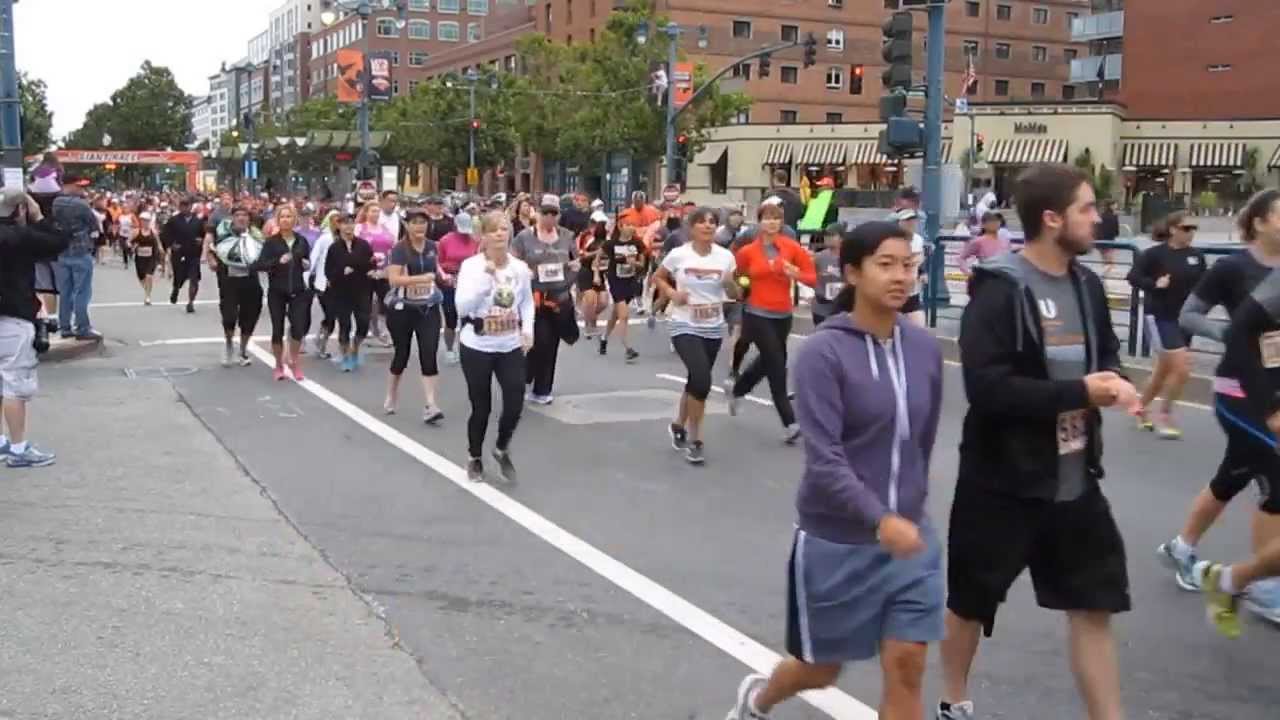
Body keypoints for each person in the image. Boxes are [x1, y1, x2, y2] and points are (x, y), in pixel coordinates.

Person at [938, 164, 1138, 720]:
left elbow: (1108, 355)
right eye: (1087, 208)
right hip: (1004, 482)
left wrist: (1117, 382)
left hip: (1076, 483)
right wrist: (1080, 391)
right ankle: (953, 700)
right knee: (971, 604)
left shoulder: (1088, 285)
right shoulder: (1000, 291)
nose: (1097, 217)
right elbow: (987, 388)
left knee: (1094, 605)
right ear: (1051, 219)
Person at [725, 220, 944, 720]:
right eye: (885, 264)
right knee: (822, 670)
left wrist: (906, 510)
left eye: (908, 265)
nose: (900, 276)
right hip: (838, 540)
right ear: (852, 271)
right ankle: (758, 701)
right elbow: (824, 459)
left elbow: (922, 440)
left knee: (908, 663)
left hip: (910, 538)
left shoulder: (924, 349)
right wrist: (878, 518)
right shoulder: (824, 352)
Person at [1158, 188, 1280, 620]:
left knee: (1233, 475)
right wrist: (1227, 335)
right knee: (1273, 471)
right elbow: (1190, 313)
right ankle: (1265, 587)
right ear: (1261, 221)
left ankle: (1182, 547)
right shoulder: (1233, 267)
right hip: (1238, 387)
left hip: (1275, 385)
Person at [653, 207, 739, 464]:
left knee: (695, 381)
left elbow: (735, 292)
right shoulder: (679, 255)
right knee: (702, 379)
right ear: (692, 228)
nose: (708, 227)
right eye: (702, 223)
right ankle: (696, 439)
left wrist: (729, 284)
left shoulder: (725, 257)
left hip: (712, 325)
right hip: (684, 324)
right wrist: (671, 294)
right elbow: (659, 277)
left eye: (712, 222)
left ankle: (678, 424)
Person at [455, 210, 535, 483]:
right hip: (477, 343)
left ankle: (501, 447)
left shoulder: (519, 268)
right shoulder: (471, 267)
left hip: (509, 342)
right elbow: (462, 306)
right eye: (495, 230)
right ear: (484, 236)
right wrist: (485, 280)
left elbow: (526, 302)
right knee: (481, 406)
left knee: (515, 400)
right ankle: (474, 456)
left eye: (504, 229)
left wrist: (527, 330)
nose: (501, 234)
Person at [727, 202, 816, 444]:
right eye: (767, 218)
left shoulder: (791, 248)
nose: (772, 222)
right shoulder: (747, 252)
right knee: (777, 364)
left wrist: (794, 273)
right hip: (756, 312)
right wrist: (746, 284)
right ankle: (790, 422)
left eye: (776, 218)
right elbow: (738, 275)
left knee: (767, 362)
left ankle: (738, 390)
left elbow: (812, 278)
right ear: (759, 222)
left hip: (783, 314)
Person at [0, 188, 69, 468]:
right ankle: (17, 447)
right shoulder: (19, 237)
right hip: (14, 316)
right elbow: (58, 242)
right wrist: (39, 215)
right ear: (19, 210)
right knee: (16, 384)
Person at [1126, 211, 1205, 438]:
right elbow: (1133, 276)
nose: (1190, 233)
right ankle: (1165, 415)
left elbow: (1205, 286)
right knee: (1181, 368)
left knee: (1163, 371)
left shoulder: (1196, 257)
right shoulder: (1154, 255)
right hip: (1160, 317)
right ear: (1173, 230)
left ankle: (1139, 408)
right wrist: (1154, 284)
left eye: (1193, 229)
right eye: (1186, 228)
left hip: (1185, 320)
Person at [511, 194, 579, 405]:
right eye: (545, 213)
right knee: (539, 341)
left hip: (560, 299)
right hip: (534, 299)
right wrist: (524, 272)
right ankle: (527, 376)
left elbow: (575, 259)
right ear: (538, 213)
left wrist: (576, 267)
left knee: (551, 345)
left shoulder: (567, 236)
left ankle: (542, 389)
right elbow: (512, 264)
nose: (550, 217)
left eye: (554, 213)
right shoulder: (524, 237)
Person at [384, 208, 446, 423]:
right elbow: (393, 279)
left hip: (427, 308)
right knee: (402, 354)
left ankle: (431, 404)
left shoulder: (432, 247)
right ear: (407, 225)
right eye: (415, 222)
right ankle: (392, 393)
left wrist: (443, 276)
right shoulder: (400, 249)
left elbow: (435, 269)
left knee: (429, 353)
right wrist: (421, 279)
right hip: (403, 309)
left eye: (423, 222)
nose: (420, 226)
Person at [252, 205, 313, 381]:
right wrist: (278, 262)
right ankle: (278, 364)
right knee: (277, 328)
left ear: (294, 220)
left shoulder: (301, 240)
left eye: (289, 217)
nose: (285, 220)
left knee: (298, 327)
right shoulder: (271, 242)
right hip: (277, 290)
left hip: (298, 289)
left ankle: (294, 361)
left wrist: (305, 265)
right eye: (282, 217)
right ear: (278, 220)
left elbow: (306, 260)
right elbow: (259, 265)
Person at [208, 206, 264, 368]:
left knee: (250, 316)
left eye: (244, 215)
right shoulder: (223, 234)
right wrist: (211, 259)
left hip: (250, 281)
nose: (241, 218)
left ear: (249, 218)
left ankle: (243, 350)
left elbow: (263, 251)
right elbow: (212, 249)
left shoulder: (256, 235)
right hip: (229, 281)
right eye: (237, 215)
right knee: (229, 316)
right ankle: (228, 344)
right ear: (232, 218)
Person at [51, 175, 101, 340]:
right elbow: (94, 226)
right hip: (80, 251)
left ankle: (65, 326)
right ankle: (82, 327)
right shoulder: (81, 205)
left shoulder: (55, 202)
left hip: (62, 251)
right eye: (78, 186)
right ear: (69, 185)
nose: (81, 189)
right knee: (82, 292)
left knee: (65, 291)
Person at [325, 212, 376, 372]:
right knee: (344, 324)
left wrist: (372, 271)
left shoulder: (363, 245)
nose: (348, 227)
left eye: (351, 223)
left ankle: (356, 346)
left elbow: (370, 264)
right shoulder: (334, 248)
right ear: (339, 226)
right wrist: (341, 271)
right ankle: (346, 356)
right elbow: (329, 271)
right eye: (345, 223)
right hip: (341, 291)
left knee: (363, 322)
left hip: (362, 289)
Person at [600, 212, 647, 362]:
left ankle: (604, 338)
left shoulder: (637, 243)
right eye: (627, 224)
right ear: (620, 226)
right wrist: (597, 274)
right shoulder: (611, 244)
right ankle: (627, 348)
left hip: (630, 281)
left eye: (633, 224)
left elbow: (642, 263)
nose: (631, 227)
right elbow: (598, 258)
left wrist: (635, 264)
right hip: (616, 280)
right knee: (624, 315)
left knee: (616, 313)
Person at [437, 211, 480, 365]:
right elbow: (438, 263)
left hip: (468, 281)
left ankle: (465, 347)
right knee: (451, 317)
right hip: (449, 281)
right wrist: (444, 275)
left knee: (467, 316)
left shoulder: (474, 241)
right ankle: (449, 348)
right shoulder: (445, 241)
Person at [358, 201, 397, 347]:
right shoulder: (360, 229)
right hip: (366, 272)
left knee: (386, 302)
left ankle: (383, 332)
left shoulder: (385, 228)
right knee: (368, 303)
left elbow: (393, 247)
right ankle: (369, 330)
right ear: (366, 213)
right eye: (372, 211)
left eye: (377, 211)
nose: (375, 214)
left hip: (384, 271)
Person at [163, 198, 208, 313]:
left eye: (187, 206)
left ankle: (191, 302)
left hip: (193, 254)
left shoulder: (198, 221)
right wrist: (172, 244)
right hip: (179, 253)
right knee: (179, 277)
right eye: (182, 206)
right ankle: (176, 288)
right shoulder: (173, 220)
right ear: (179, 207)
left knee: (194, 279)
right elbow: (165, 234)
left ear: (190, 206)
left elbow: (205, 236)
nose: (185, 208)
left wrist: (201, 240)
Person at [308, 210, 339, 359]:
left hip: (340, 285)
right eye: (335, 221)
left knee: (333, 315)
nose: (338, 224)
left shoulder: (346, 239)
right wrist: (307, 275)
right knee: (330, 314)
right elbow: (314, 257)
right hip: (323, 283)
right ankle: (321, 342)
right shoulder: (325, 238)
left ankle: (321, 339)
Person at [576, 210, 610, 341]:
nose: (601, 226)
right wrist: (597, 252)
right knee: (590, 299)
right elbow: (581, 255)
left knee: (603, 302)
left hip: (601, 272)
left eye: (603, 223)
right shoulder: (586, 236)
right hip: (586, 271)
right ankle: (589, 327)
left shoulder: (608, 237)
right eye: (598, 223)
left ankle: (590, 318)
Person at [893, 207, 928, 326]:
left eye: (913, 220)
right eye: (907, 221)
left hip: (913, 292)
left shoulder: (918, 240)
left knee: (919, 327)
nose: (911, 224)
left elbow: (920, 260)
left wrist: (922, 273)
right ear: (899, 223)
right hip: (895, 290)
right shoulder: (892, 241)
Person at [810, 223, 843, 328]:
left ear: (841, 238)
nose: (827, 238)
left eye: (832, 235)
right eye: (826, 235)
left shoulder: (850, 257)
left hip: (842, 308)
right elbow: (810, 276)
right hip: (821, 308)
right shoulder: (819, 257)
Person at [131, 213, 163, 305]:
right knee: (142, 278)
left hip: (151, 257)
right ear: (140, 221)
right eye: (143, 220)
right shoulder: (136, 232)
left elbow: (158, 242)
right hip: (140, 258)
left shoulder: (153, 232)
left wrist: (160, 249)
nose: (145, 222)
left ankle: (147, 296)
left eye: (147, 221)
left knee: (149, 276)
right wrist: (133, 246)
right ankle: (147, 290)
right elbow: (129, 242)